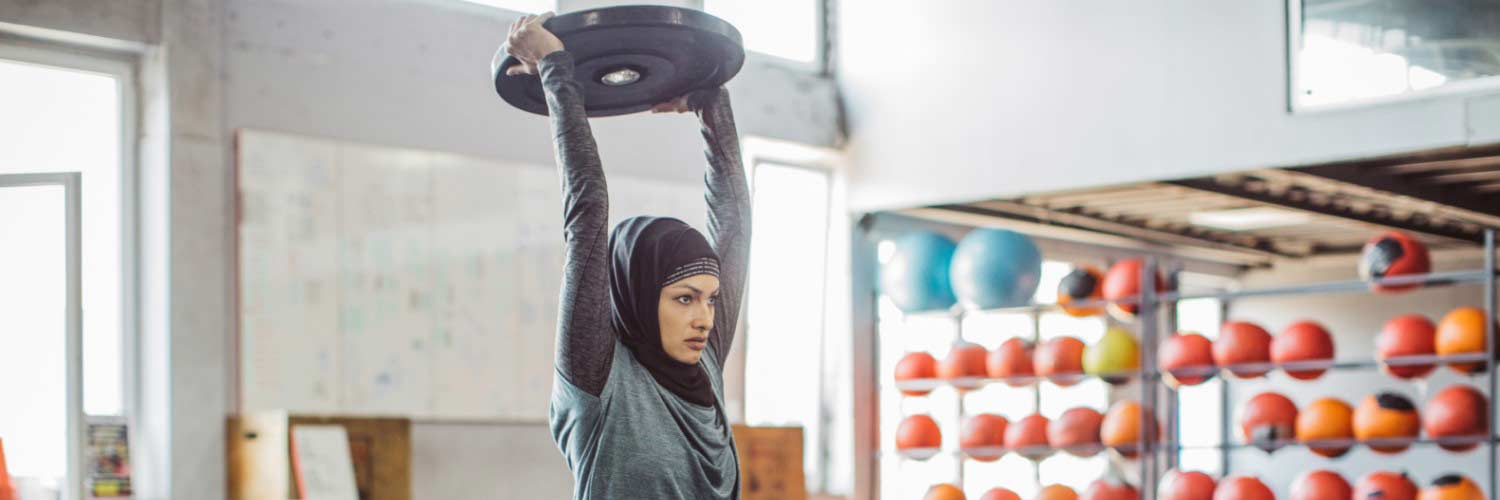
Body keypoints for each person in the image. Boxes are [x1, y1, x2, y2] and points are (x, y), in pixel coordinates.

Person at [502, 12, 752, 499]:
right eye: (684, 299)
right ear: (638, 296)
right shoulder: (596, 378)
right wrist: (554, 66)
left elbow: (735, 222)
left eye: (710, 299)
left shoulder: (704, 366)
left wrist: (709, 102)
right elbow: (588, 213)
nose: (705, 318)